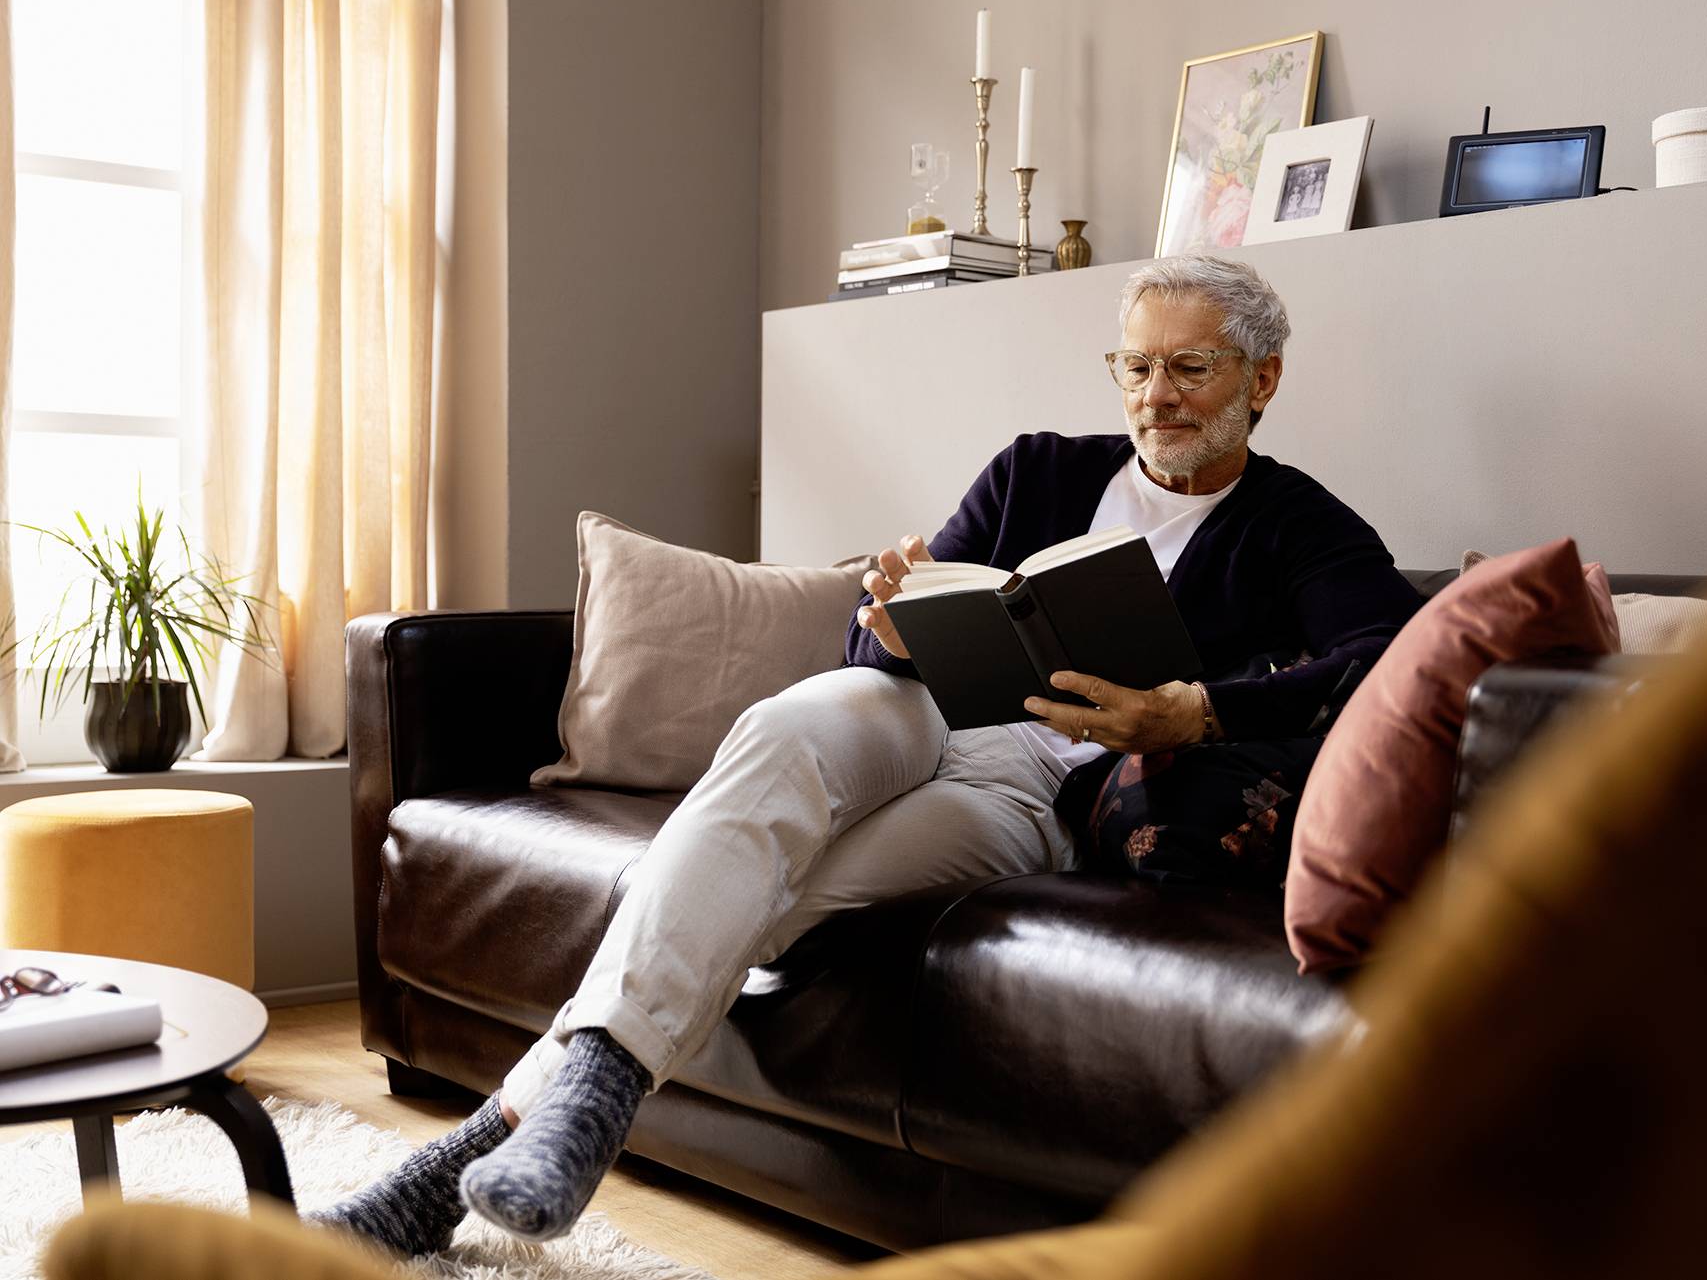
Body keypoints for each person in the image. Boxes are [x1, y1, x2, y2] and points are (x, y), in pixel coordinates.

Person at [314, 253, 1422, 1255]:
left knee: (753, 901)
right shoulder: (1035, 469)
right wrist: (883, 624)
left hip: (1033, 794)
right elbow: (876, 641)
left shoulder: (1299, 527)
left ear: (1260, 380)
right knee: (784, 729)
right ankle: (560, 1112)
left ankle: (471, 1155)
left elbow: (1380, 656)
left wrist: (1193, 714)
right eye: (1132, 365)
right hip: (924, 712)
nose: (1154, 395)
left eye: (1188, 366)